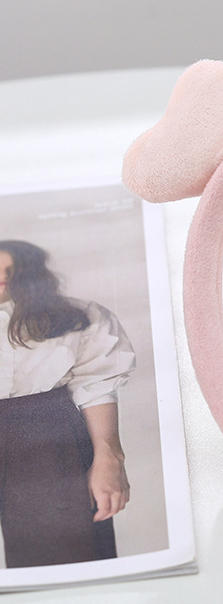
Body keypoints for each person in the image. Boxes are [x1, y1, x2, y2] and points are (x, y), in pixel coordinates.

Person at [0, 240, 136, 568]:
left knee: (65, 558)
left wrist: (110, 459)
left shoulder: (77, 318)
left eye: (11, 271)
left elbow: (96, 386)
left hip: (47, 440)